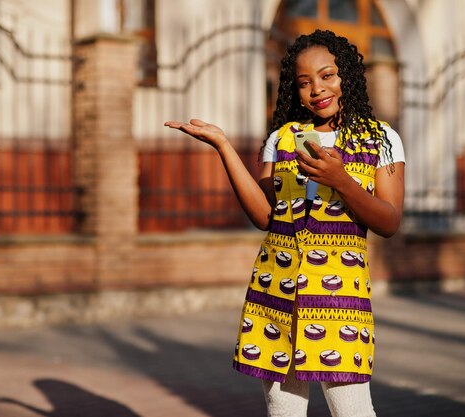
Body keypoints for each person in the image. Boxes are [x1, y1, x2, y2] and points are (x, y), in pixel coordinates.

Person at [165, 29, 405, 417]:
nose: (317, 90)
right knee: (283, 408)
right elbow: (264, 215)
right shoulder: (282, 138)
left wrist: (341, 180)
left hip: (338, 296)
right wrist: (224, 147)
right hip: (276, 290)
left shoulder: (381, 139)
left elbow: (390, 221)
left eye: (327, 75)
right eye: (304, 82)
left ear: (347, 75)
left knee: (352, 410)